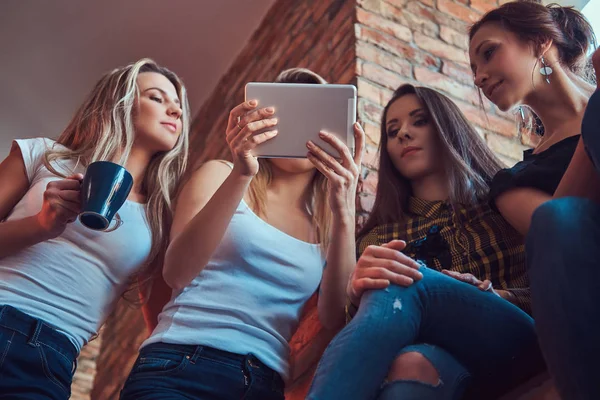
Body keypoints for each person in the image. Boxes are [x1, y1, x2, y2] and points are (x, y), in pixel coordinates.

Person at [119, 68, 366, 400]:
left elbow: (334, 316)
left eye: (313, 115)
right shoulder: (221, 174)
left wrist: (345, 211)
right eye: (287, 110)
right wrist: (242, 172)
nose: (299, 126)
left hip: (262, 385)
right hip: (180, 364)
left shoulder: (328, 224)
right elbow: (176, 272)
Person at [306, 84, 543, 400]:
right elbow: (352, 328)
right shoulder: (376, 239)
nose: (403, 133)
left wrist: (497, 294)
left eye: (419, 121)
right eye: (392, 131)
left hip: (512, 342)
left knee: (399, 277)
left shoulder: (503, 201)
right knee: (410, 364)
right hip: (436, 364)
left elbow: (563, 281)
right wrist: (354, 293)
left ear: (447, 126)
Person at [0, 58, 190, 399]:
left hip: (52, 356)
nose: (175, 111)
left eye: (178, 105)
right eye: (157, 98)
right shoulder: (44, 156)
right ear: (119, 102)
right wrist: (41, 225)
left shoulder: (159, 218)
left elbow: (163, 323)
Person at [469, 1, 600, 397]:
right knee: (555, 220)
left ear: (541, 42)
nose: (479, 77)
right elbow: (559, 241)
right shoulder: (511, 182)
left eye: (488, 53)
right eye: (473, 68)